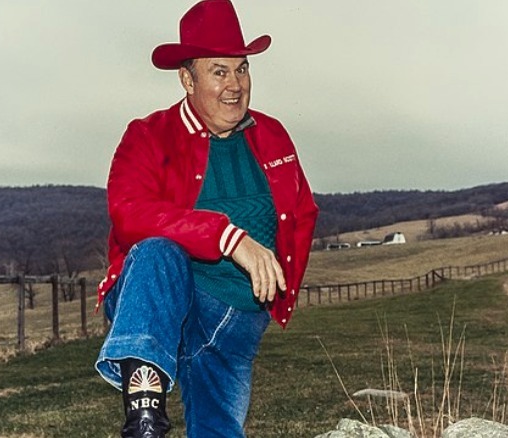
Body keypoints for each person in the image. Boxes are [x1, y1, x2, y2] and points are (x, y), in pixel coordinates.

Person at [94, 1, 318, 437]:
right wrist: (229, 238)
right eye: (219, 71)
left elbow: (302, 211)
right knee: (160, 253)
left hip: (237, 317)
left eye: (242, 69)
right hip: (159, 300)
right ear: (187, 78)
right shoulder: (148, 135)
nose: (234, 85)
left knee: (218, 430)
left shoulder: (272, 135)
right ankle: (144, 415)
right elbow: (129, 214)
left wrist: (275, 287)